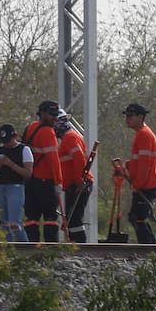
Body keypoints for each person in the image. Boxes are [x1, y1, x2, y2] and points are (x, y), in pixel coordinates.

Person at [22, 100, 63, 242]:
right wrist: (58, 182)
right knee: (50, 217)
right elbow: (54, 160)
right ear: (43, 113)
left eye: (56, 114)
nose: (54, 117)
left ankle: (32, 248)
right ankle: (50, 250)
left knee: (31, 217)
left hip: (30, 180)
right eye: (52, 114)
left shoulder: (30, 127)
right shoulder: (48, 132)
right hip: (45, 181)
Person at [123, 103, 156, 244]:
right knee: (137, 217)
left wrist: (137, 184)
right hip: (147, 183)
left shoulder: (144, 135)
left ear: (140, 117)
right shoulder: (142, 134)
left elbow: (145, 165)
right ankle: (149, 249)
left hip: (147, 184)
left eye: (130, 116)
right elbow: (140, 161)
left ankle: (148, 249)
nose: (127, 119)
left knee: (137, 217)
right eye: (126, 116)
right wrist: (127, 166)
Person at [0, 124, 33, 242]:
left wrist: (10, 164)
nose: (6, 144)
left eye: (8, 140)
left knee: (14, 223)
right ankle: (6, 250)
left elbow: (28, 173)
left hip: (15, 186)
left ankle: (25, 248)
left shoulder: (24, 149)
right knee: (3, 223)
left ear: (15, 136)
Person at [57, 112, 92, 243]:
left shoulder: (70, 137)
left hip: (77, 184)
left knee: (75, 220)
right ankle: (74, 247)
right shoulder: (68, 138)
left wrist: (78, 180)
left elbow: (78, 158)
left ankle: (81, 249)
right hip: (72, 184)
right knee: (71, 220)